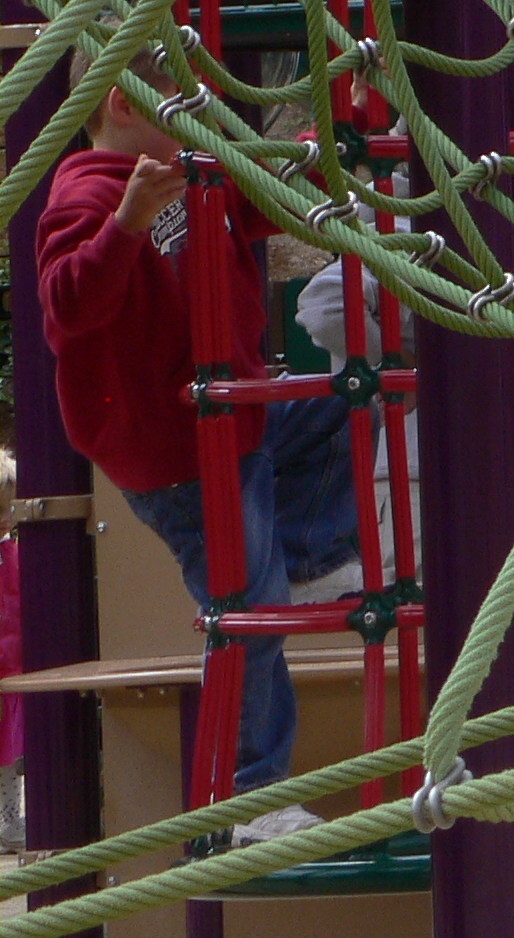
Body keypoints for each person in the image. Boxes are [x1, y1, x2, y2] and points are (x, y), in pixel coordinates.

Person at [36, 55, 355, 840]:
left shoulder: (194, 173)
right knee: (247, 615)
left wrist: (334, 121)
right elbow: (68, 307)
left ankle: (305, 558)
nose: (199, 111)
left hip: (235, 415)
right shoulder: (87, 193)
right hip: (175, 450)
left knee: (348, 402)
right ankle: (248, 798)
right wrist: (127, 224)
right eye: (180, 99)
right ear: (124, 103)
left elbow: (271, 196)